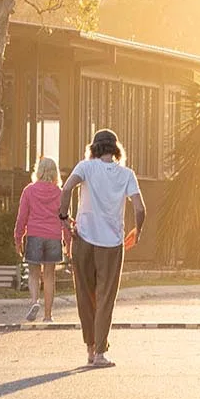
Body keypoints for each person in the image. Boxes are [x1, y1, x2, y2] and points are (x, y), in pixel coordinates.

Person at [61, 129, 142, 368]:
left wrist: (64, 218)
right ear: (115, 150)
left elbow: (66, 189)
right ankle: (100, 353)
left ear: (94, 148)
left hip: (84, 239)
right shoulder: (126, 174)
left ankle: (89, 348)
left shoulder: (85, 167)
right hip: (112, 243)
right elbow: (139, 208)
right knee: (106, 297)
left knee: (85, 295)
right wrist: (138, 230)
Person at [14, 156, 67, 323]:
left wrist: (18, 238)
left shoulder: (29, 190)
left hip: (34, 235)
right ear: (55, 173)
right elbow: (64, 217)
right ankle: (48, 315)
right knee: (49, 276)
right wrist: (68, 240)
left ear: (38, 170)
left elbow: (22, 217)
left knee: (34, 273)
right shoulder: (60, 193)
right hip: (53, 236)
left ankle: (35, 301)